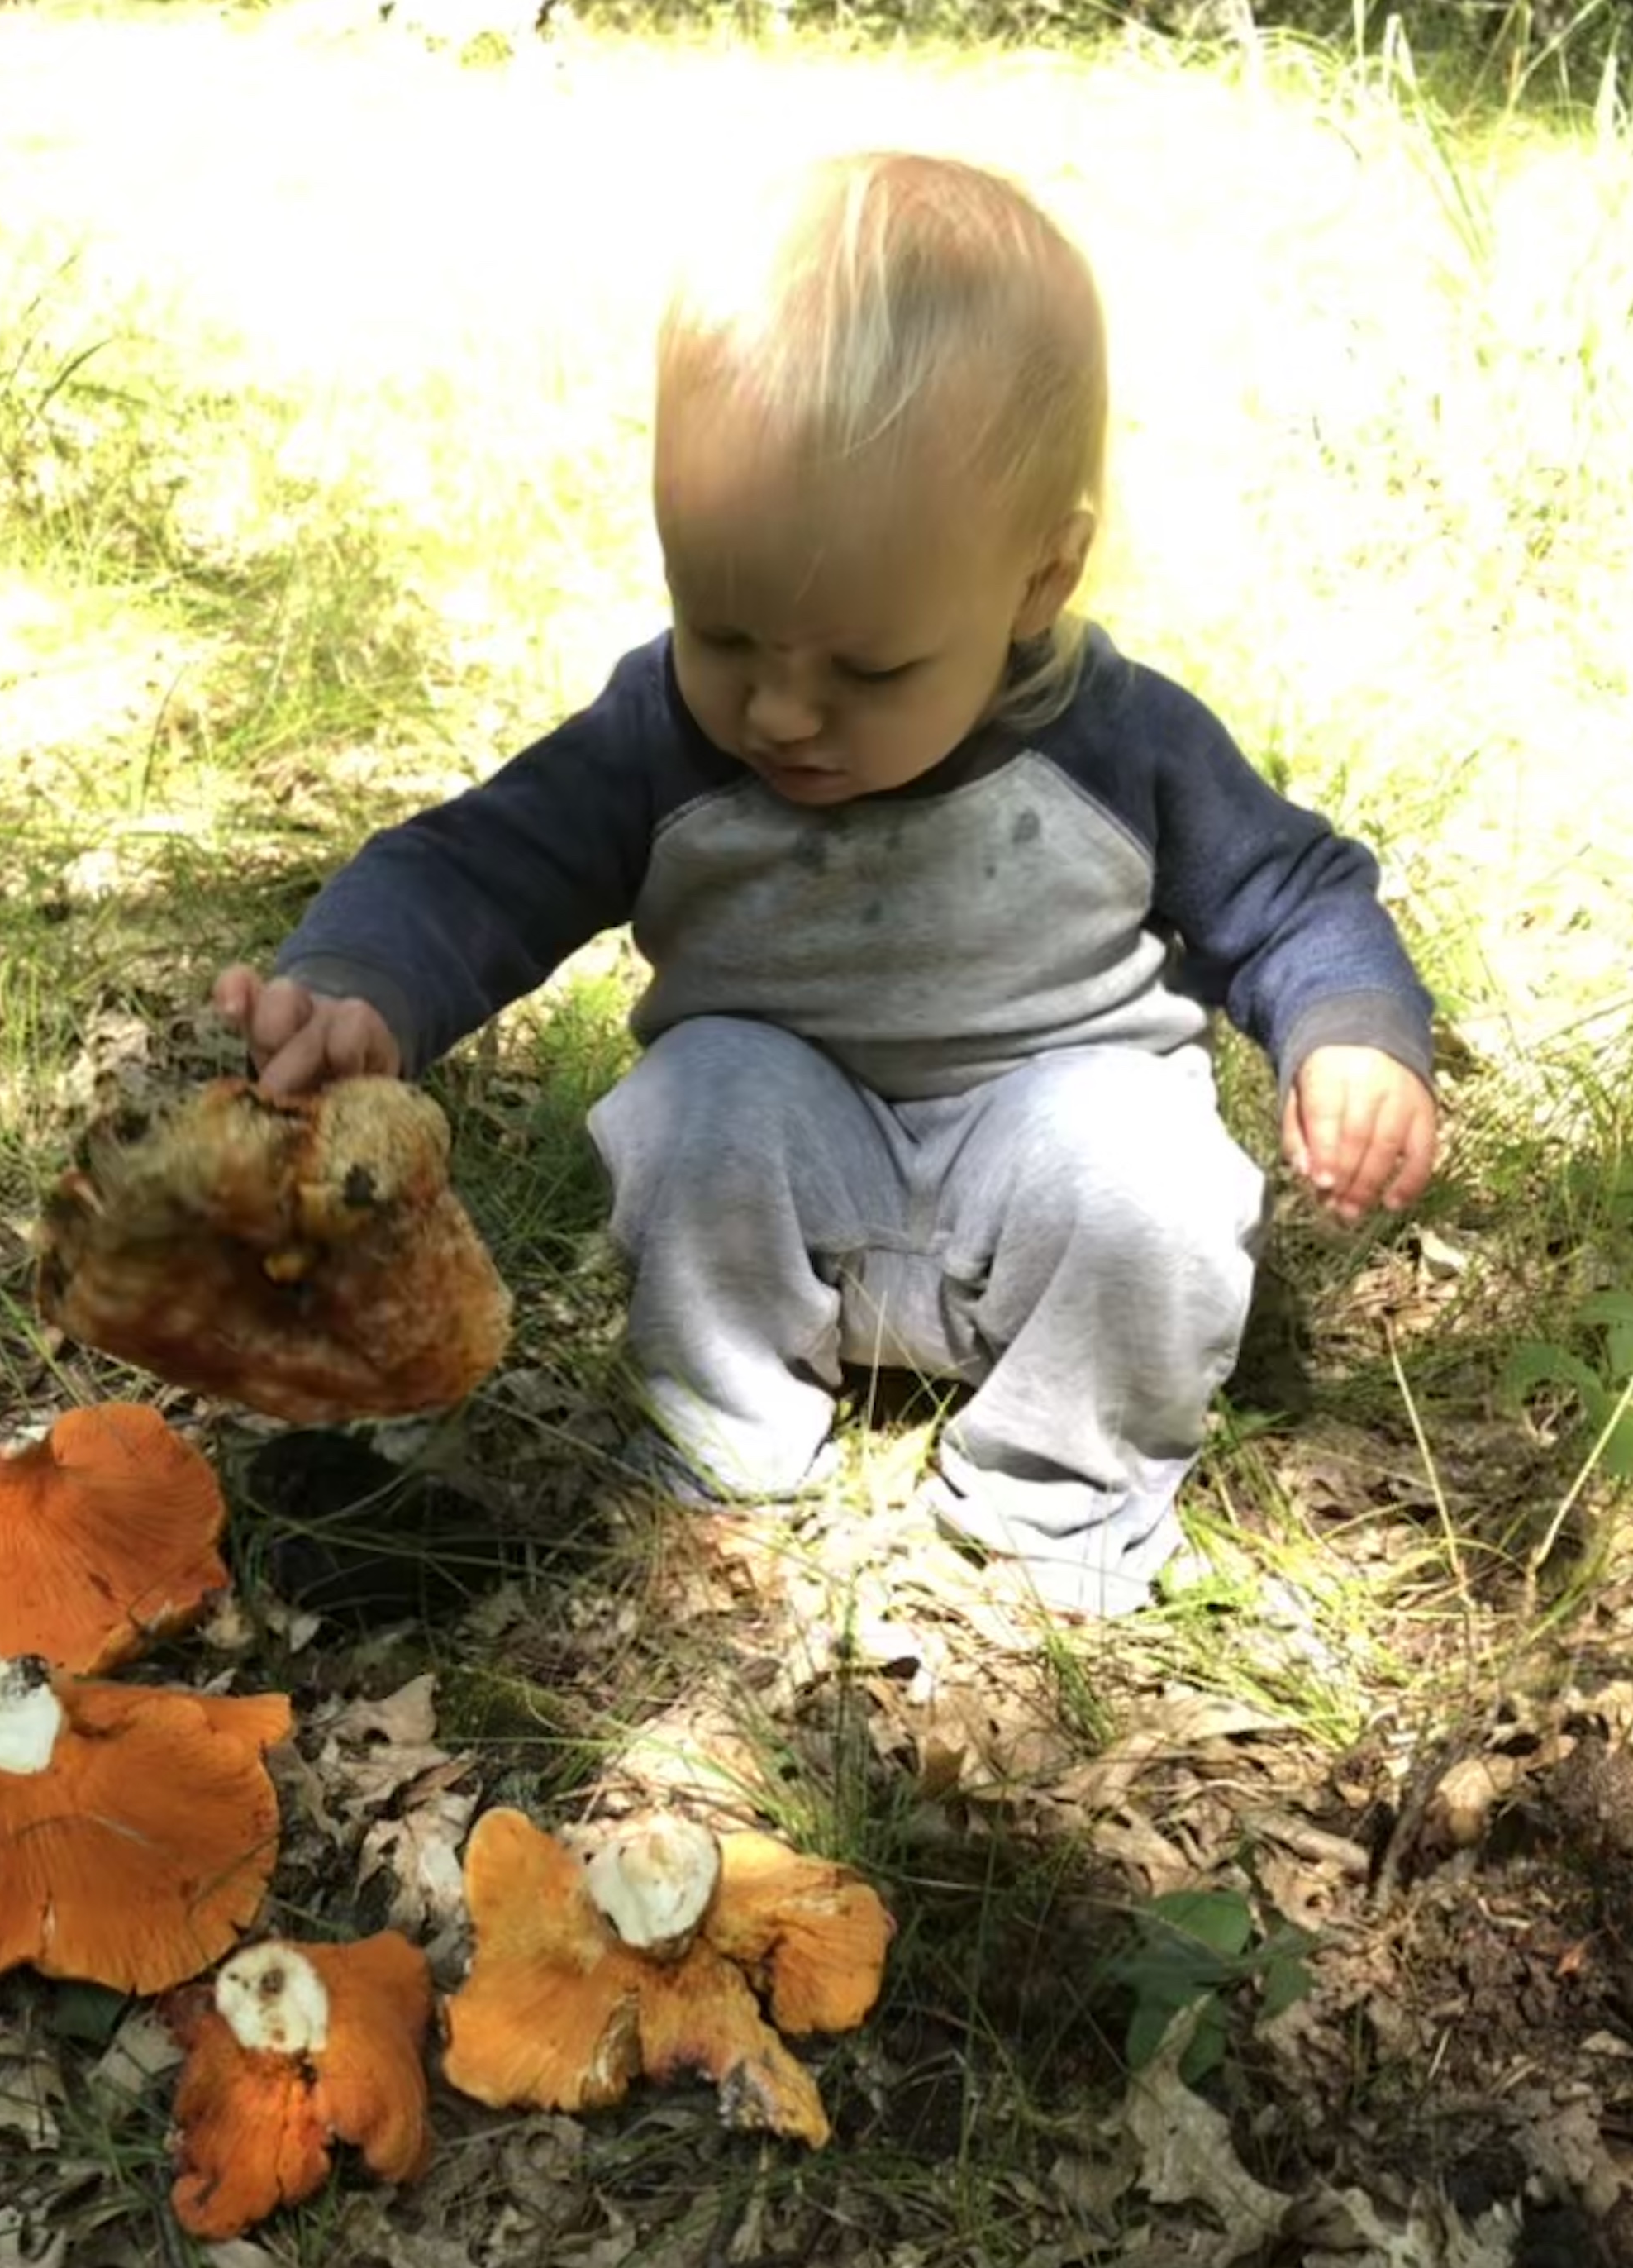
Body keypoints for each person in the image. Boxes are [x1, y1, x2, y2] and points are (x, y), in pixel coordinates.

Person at [214, 150, 1439, 1615]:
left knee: (1149, 1169)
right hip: (779, 1194)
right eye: (723, 633)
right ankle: (716, 1419)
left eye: (868, 668)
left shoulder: (1119, 744)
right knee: (704, 1089)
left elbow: (1293, 894)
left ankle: (1061, 1487)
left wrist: (1351, 1030)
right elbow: (478, 864)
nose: (781, 713)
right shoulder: (666, 741)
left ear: (1037, 582)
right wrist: (364, 985)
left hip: (1040, 1188)